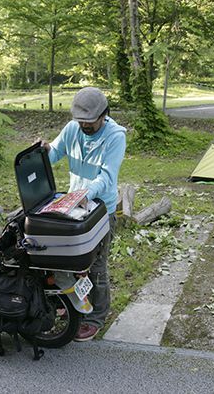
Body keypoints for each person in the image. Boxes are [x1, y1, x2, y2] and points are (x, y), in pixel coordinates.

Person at [39, 87, 126, 341]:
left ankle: (96, 316)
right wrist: (44, 150)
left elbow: (107, 177)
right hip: (73, 207)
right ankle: (74, 304)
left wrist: (83, 195)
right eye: (81, 122)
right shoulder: (72, 129)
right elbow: (55, 153)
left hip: (100, 209)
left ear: (104, 115)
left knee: (96, 265)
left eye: (89, 122)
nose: (84, 127)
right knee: (72, 261)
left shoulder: (115, 136)